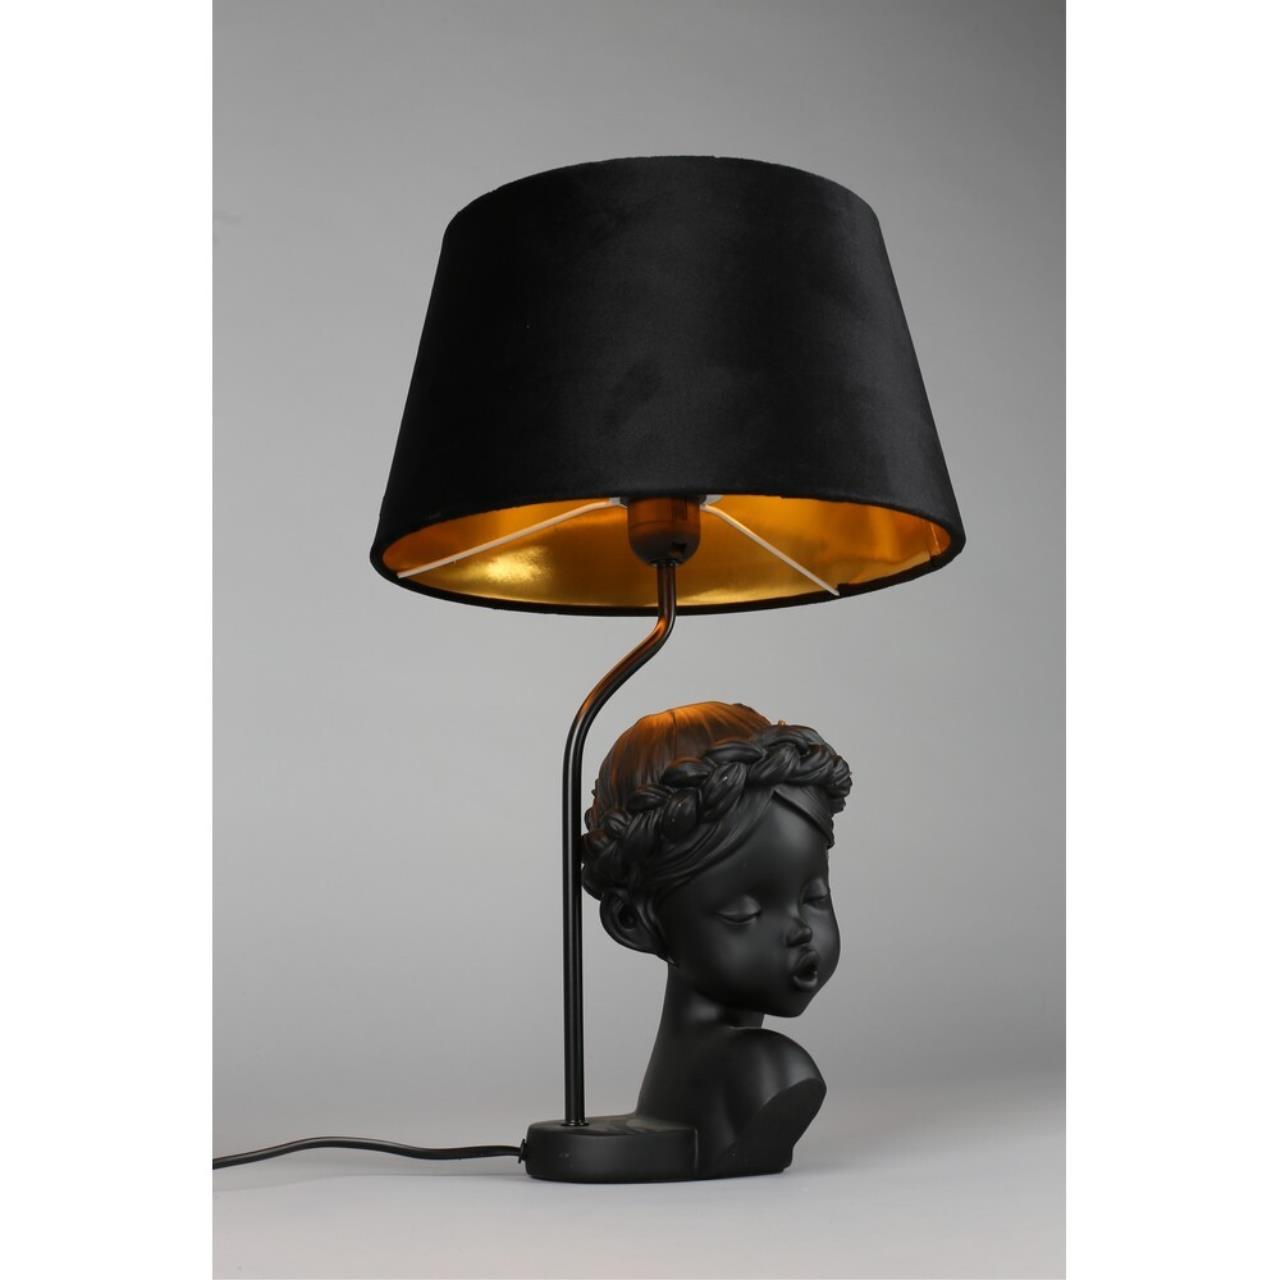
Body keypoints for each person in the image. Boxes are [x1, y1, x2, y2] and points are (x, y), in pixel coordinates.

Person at [582, 701, 852, 1178]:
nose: (800, 929)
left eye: (814, 896)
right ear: (633, 921)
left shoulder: (754, 1071)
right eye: (744, 912)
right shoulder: (770, 1071)